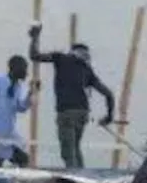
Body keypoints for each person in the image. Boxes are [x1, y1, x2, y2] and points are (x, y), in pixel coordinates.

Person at [29, 25, 115, 168]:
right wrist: (109, 116)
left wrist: (34, 37)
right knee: (75, 147)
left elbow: (34, 56)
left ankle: (75, 180)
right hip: (82, 112)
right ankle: (83, 175)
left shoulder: (61, 58)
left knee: (68, 152)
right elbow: (108, 94)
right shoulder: (87, 70)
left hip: (66, 112)